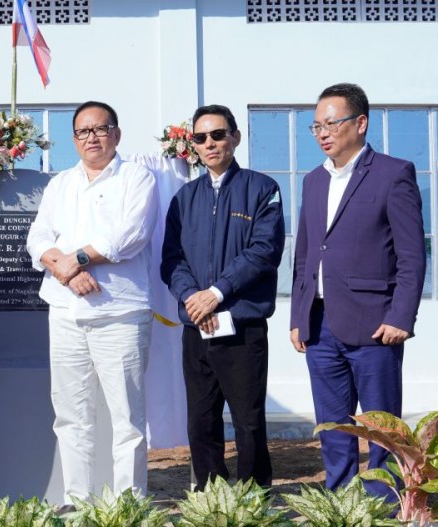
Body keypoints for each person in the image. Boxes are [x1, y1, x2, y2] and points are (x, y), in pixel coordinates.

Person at [290, 83, 425, 496]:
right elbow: (305, 253)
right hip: (320, 325)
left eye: (332, 122)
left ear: (361, 123)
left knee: (382, 429)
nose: (323, 132)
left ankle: (384, 507)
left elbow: (412, 254)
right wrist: (298, 317)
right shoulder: (313, 180)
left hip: (375, 326)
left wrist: (401, 316)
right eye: (316, 126)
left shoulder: (393, 173)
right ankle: (342, 505)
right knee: (333, 427)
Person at [26, 101, 157, 506]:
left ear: (116, 134)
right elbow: (37, 240)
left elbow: (128, 235)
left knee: (127, 419)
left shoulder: (137, 177)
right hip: (65, 312)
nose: (92, 138)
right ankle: (76, 501)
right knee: (71, 414)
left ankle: (128, 504)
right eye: (83, 132)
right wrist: (68, 271)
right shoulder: (60, 183)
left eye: (100, 129)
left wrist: (76, 259)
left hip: (120, 312)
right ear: (74, 139)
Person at [160, 105, 285, 490]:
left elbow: (263, 252)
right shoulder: (185, 197)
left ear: (235, 137)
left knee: (248, 420)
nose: (210, 143)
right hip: (197, 327)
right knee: (200, 418)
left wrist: (216, 293)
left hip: (242, 326)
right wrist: (192, 297)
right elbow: (171, 259)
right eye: (201, 138)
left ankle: (253, 494)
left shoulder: (262, 189)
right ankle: (210, 492)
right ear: (192, 144)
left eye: (218, 134)